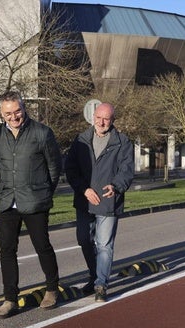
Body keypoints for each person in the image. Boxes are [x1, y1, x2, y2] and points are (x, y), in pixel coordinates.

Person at [0, 91, 62, 318]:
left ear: (24, 108)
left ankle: (51, 289)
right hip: (7, 201)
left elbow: (54, 168)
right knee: (7, 251)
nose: (14, 117)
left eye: (17, 111)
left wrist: (43, 192)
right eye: (8, 113)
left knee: (42, 245)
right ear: (1, 114)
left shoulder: (42, 133)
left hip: (35, 201)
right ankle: (10, 298)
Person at [64, 102, 134, 302]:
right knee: (83, 239)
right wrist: (84, 189)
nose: (102, 122)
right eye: (99, 117)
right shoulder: (80, 140)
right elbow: (71, 169)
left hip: (108, 201)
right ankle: (94, 275)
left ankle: (101, 284)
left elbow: (127, 170)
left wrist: (116, 186)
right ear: (93, 117)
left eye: (106, 119)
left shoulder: (122, 142)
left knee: (104, 245)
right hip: (85, 200)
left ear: (113, 120)